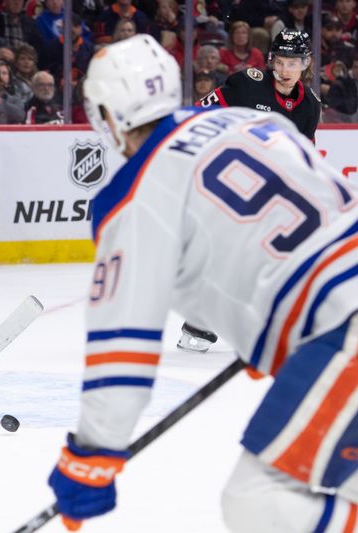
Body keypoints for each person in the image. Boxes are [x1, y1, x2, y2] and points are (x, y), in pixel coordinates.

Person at [47, 34, 358, 532]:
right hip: (337, 312)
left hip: (344, 330)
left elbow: (123, 342)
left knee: (258, 502)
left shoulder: (133, 197)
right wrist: (274, 322)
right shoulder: (246, 119)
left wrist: (92, 456)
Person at [184, 27, 323, 352]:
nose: (286, 70)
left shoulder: (310, 107)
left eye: (294, 63)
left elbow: (303, 158)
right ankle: (201, 322)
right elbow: (198, 114)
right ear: (272, 60)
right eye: (281, 62)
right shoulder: (247, 84)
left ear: (306, 63)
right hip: (227, 184)